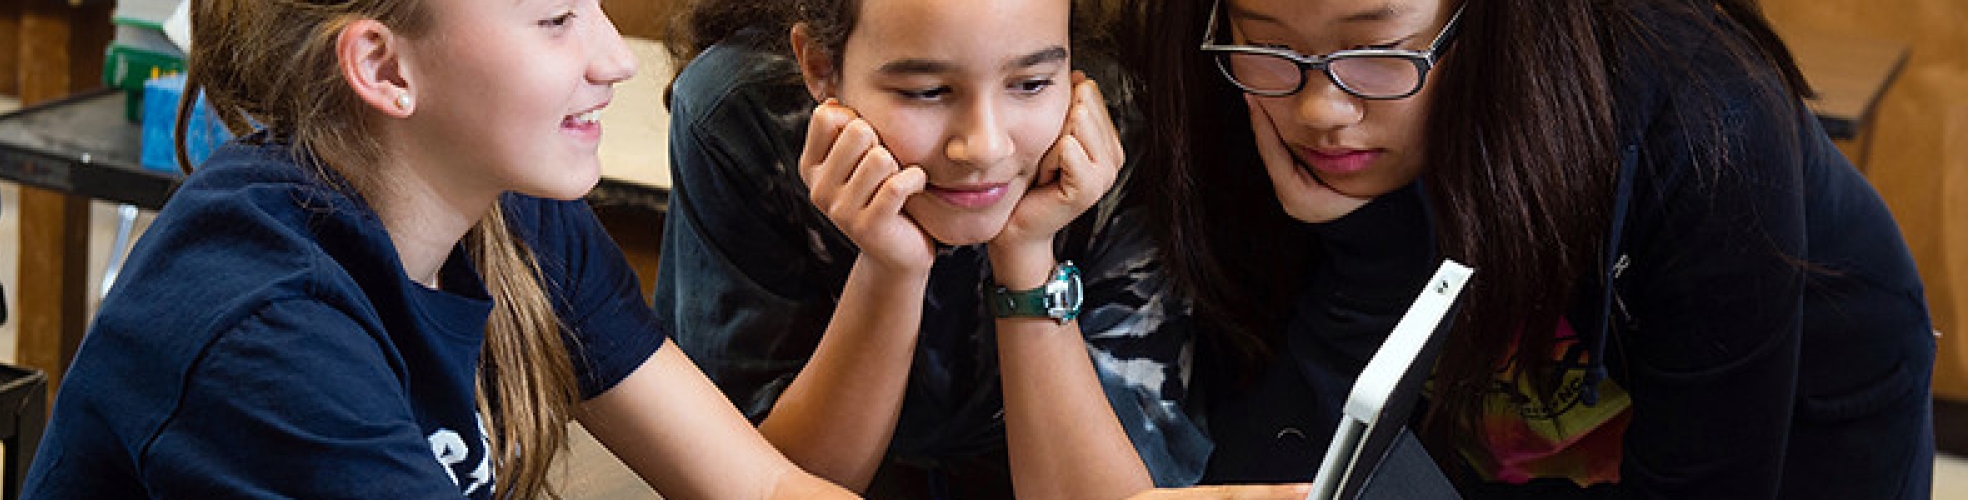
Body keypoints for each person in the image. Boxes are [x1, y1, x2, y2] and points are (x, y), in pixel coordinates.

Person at [19, 0, 855, 498]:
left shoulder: (510, 210)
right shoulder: (266, 335)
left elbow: (761, 485)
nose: (613, 59)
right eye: (556, 19)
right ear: (383, 68)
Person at [1119, 0, 1937, 498]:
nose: (1320, 109)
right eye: (1269, 44)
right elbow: (1276, 466)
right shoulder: (1228, 84)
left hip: (1793, 421)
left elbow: (1710, 481)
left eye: (1374, 50)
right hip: (1519, 428)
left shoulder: (1703, 120)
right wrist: (1369, 255)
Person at [654, 0, 1221, 498]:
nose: (985, 147)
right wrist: (891, 269)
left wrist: (1026, 257)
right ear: (821, 67)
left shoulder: (1112, 126)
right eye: (927, 92)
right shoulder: (739, 115)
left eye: (1030, 84)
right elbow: (754, 482)